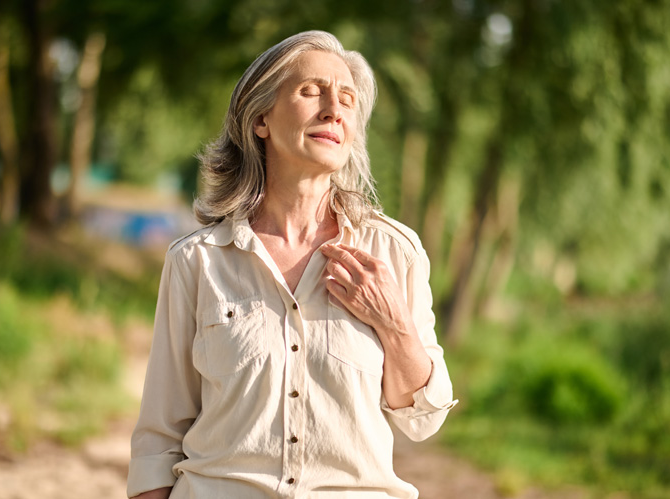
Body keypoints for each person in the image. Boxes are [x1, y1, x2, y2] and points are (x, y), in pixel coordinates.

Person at [127, 30, 457, 499]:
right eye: (311, 92)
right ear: (260, 118)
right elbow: (158, 442)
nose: (334, 110)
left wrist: (394, 323)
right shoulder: (197, 261)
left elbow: (424, 417)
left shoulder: (395, 253)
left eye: (347, 99)